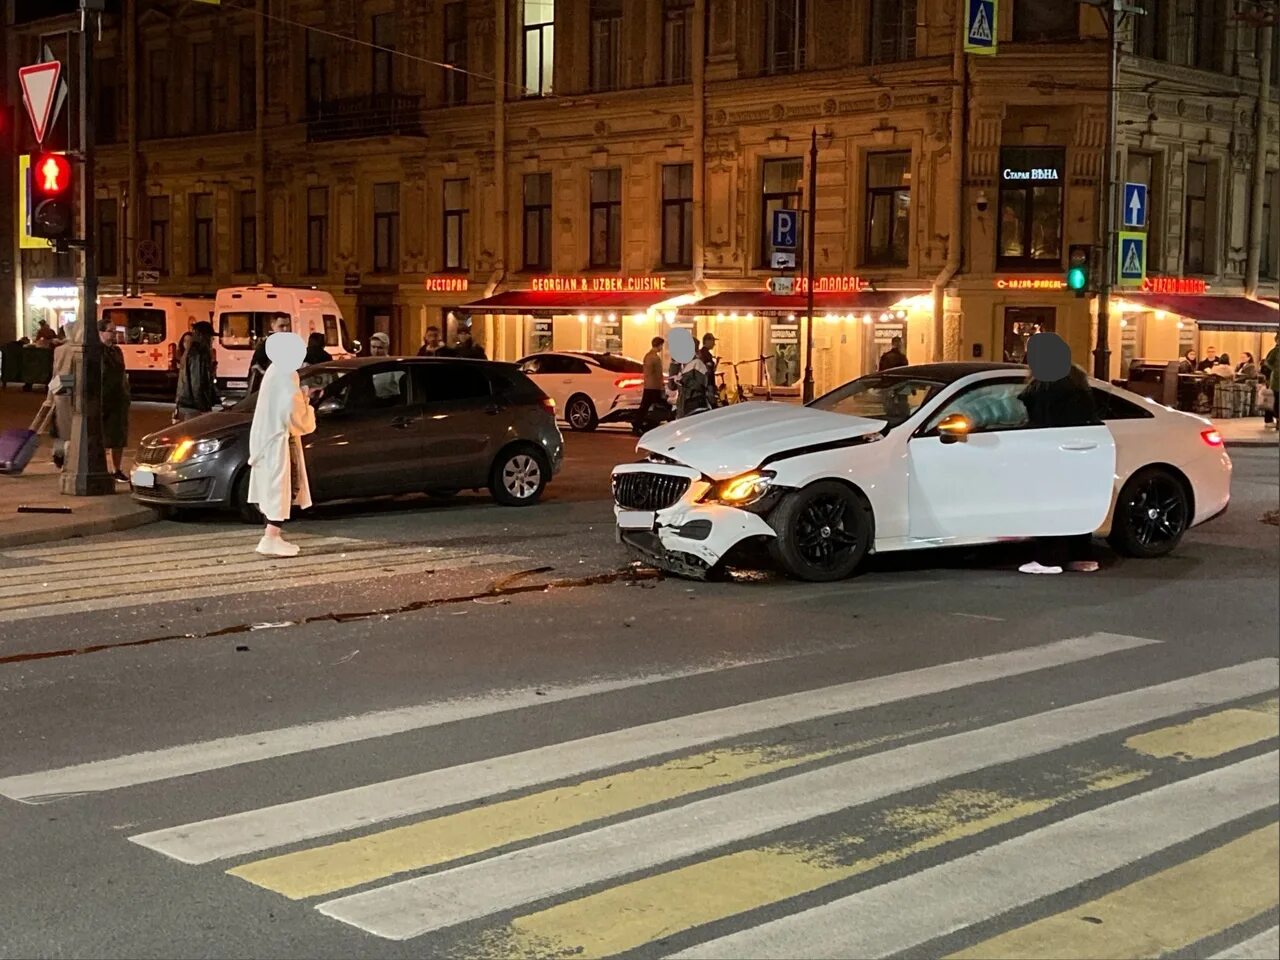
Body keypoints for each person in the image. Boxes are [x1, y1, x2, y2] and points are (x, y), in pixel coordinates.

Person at [1018, 334, 1102, 576]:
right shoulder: (1077, 381)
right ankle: (1081, 556)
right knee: (1076, 503)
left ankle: (1048, 559)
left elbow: (1039, 421)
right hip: (1083, 450)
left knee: (1049, 504)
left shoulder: (1046, 385)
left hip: (1053, 452)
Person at [247, 332, 317, 558]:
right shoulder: (287, 373)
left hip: (269, 438)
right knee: (282, 486)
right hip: (279, 439)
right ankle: (271, 537)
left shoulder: (274, 371)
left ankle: (272, 535)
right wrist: (308, 406)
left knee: (276, 487)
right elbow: (291, 409)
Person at [96, 319, 132, 482]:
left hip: (118, 399)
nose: (114, 335)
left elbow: (121, 373)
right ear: (101, 333)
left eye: (115, 331)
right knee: (100, 437)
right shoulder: (97, 351)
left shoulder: (116, 351)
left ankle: (116, 469)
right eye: (110, 331)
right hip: (103, 400)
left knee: (118, 437)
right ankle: (101, 469)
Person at [175, 321, 219, 421]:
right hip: (194, 407)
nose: (212, 340)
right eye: (210, 337)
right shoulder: (198, 353)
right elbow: (197, 383)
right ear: (204, 336)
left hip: (187, 404)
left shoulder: (191, 351)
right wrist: (203, 407)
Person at [48, 325, 77, 469]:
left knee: (60, 425)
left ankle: (58, 454)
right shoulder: (76, 350)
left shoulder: (59, 349)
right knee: (71, 427)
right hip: (71, 390)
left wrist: (49, 397)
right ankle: (66, 458)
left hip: (58, 388)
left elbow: (55, 373)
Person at [247, 315, 291, 393]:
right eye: (281, 326)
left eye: (288, 326)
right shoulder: (265, 346)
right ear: (273, 326)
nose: (285, 329)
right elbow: (255, 369)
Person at [635, 336, 666, 435]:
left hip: (648, 385)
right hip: (654, 387)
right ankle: (644, 425)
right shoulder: (655, 358)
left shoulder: (647, 356)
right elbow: (658, 374)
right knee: (662, 405)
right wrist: (662, 387)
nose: (662, 348)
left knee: (644, 407)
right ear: (659, 345)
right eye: (662, 345)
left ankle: (638, 425)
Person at [698, 333, 719, 407]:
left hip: (708, 384)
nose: (714, 344)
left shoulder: (705, 353)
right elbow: (708, 371)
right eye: (713, 341)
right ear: (707, 341)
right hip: (708, 385)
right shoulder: (704, 354)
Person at [1264, 333, 1279, 427]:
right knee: (1276, 401)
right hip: (1277, 380)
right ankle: (1278, 420)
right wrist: (1275, 369)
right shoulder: (1275, 351)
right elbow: (1267, 362)